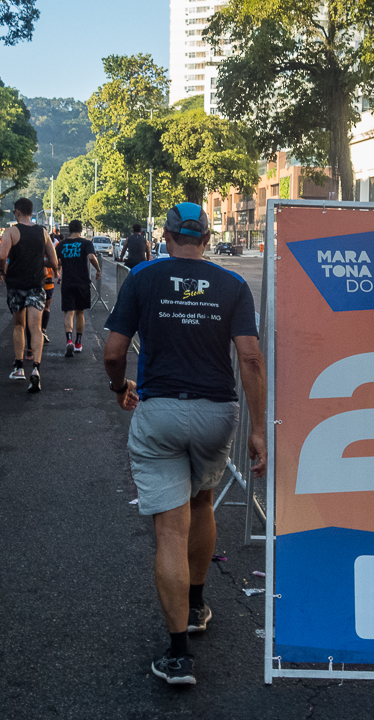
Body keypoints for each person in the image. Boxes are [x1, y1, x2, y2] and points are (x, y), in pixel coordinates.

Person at [103, 202, 267, 686]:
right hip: (217, 414)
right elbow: (251, 358)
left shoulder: (142, 278)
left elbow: (114, 352)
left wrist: (120, 388)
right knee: (202, 502)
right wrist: (257, 429)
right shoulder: (233, 285)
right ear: (208, 239)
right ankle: (197, 605)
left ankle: (177, 657)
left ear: (166, 235)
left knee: (170, 531)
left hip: (160, 413)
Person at [0, 198, 60, 393]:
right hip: (36, 284)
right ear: (31, 212)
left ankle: (18, 367)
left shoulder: (11, 232)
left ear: (16, 212)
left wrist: (2, 271)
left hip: (16, 284)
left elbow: (1, 256)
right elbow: (53, 259)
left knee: (19, 325)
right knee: (36, 327)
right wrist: (46, 266)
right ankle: (36, 369)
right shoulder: (42, 232)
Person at [57, 219, 101, 357]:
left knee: (69, 312)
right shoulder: (86, 243)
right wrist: (98, 270)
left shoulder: (62, 244)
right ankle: (78, 343)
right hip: (82, 282)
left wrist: (57, 271)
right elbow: (92, 257)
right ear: (81, 230)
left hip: (68, 282)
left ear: (69, 230)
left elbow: (55, 261)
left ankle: (68, 339)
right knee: (80, 312)